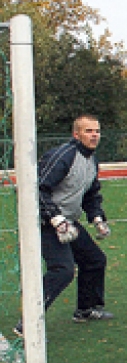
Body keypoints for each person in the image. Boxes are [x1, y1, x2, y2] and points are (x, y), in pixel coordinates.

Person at [15, 115, 113, 337]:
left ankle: (85, 310)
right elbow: (37, 189)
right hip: (43, 222)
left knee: (94, 260)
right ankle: (28, 322)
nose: (94, 135)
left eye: (97, 131)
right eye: (88, 131)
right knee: (63, 270)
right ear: (76, 134)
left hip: (68, 222)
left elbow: (91, 194)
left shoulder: (91, 161)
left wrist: (97, 218)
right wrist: (55, 218)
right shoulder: (63, 156)